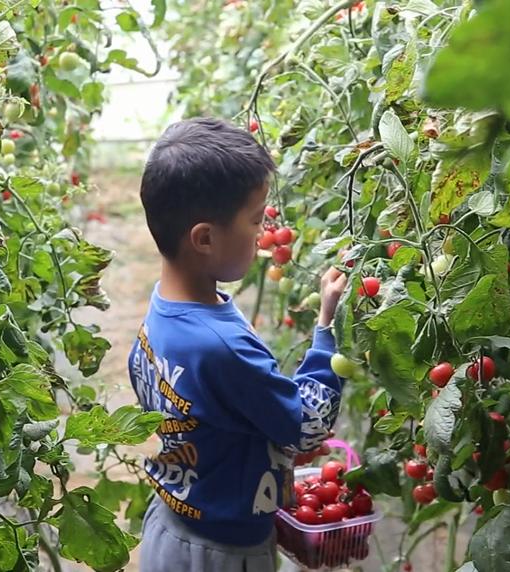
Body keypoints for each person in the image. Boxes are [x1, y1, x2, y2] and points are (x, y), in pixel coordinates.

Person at [128, 117, 349, 571]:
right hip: (222, 555)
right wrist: (326, 329)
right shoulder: (220, 346)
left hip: (173, 528)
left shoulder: (164, 310)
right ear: (205, 238)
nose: (262, 230)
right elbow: (308, 426)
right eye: (254, 220)